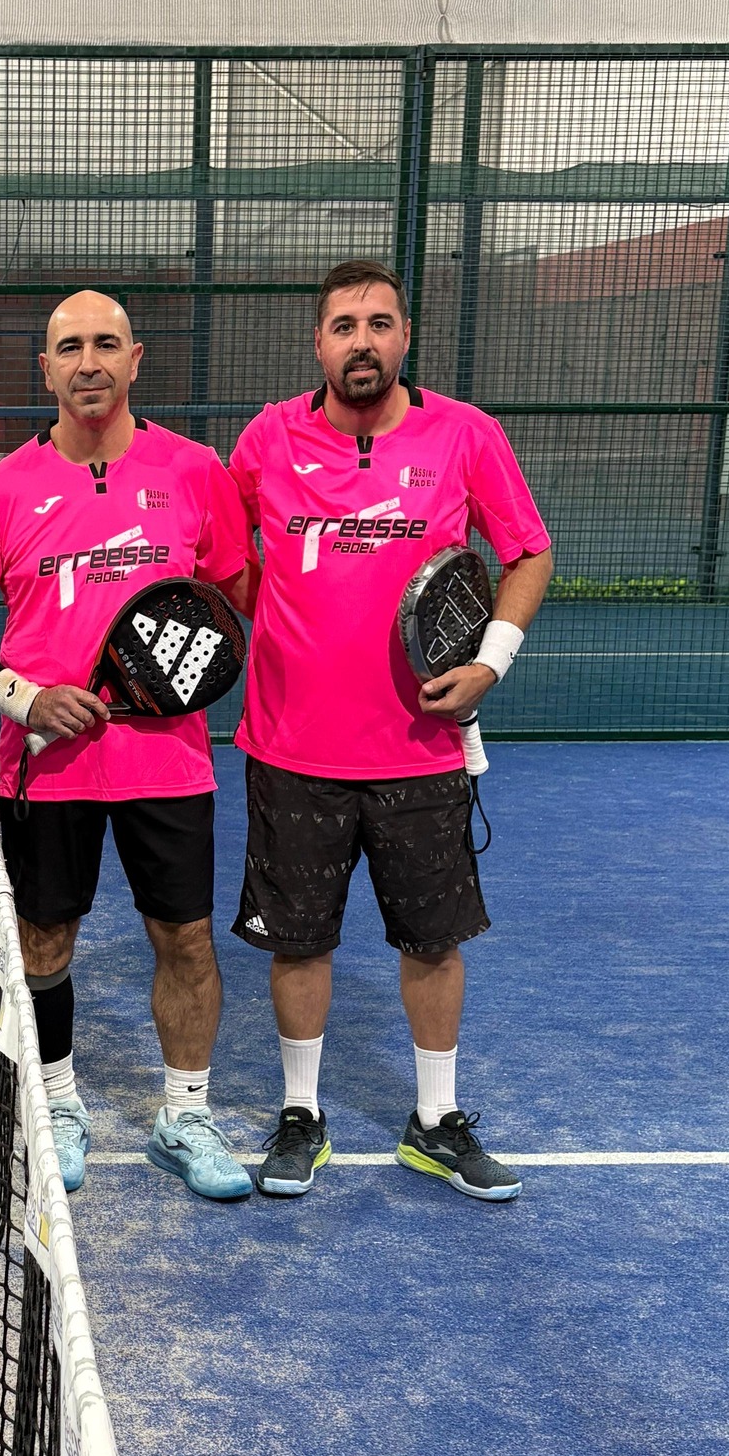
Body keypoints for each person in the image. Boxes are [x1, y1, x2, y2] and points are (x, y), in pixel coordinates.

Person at [227, 258, 553, 1201]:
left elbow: (528, 552)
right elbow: (222, 547)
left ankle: (435, 1121)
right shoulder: (267, 439)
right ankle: (301, 1113)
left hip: (421, 749)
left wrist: (490, 661)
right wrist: (279, 618)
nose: (361, 342)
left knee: (433, 942)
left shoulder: (465, 435)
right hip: (291, 749)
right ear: (318, 344)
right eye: (343, 326)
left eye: (379, 323)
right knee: (298, 943)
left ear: (405, 337)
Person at [0, 290, 256, 1201]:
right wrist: (27, 700)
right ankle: (58, 1105)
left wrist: (175, 667)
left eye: (106, 344)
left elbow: (228, 596)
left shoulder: (194, 471)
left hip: (170, 762)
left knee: (186, 937)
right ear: (45, 369)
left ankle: (184, 1116)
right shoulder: (3, 489)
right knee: (44, 940)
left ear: (134, 358)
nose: (89, 362)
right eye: (70, 347)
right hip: (44, 768)